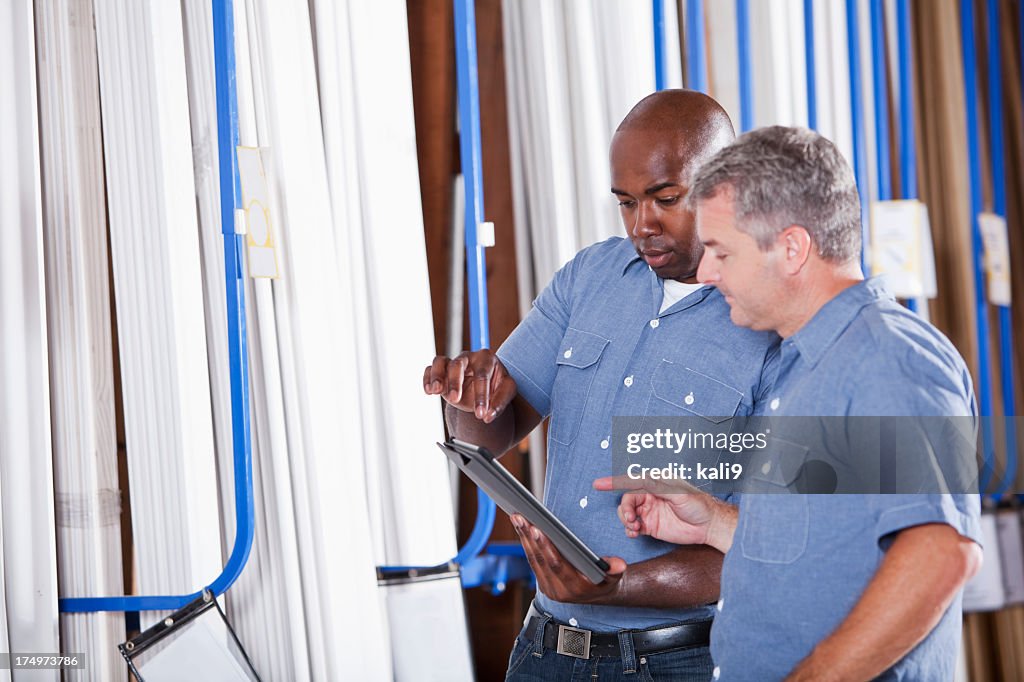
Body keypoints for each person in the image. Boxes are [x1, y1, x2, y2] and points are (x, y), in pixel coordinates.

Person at [602, 125, 983, 681]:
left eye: (721, 252)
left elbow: (940, 553)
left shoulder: (888, 358)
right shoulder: (799, 366)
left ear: (792, 247)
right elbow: (827, 548)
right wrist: (712, 523)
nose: (706, 274)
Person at [423, 90, 779, 680]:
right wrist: (472, 397)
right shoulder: (590, 277)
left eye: (666, 199)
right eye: (626, 202)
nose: (643, 225)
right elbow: (491, 434)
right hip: (546, 649)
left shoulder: (768, 326)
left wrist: (616, 587)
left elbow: (771, 545)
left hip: (681, 659)